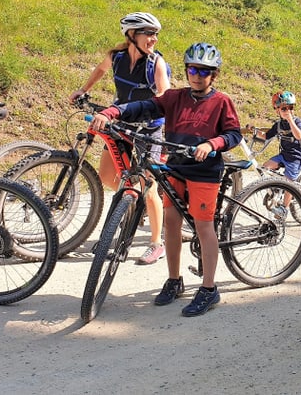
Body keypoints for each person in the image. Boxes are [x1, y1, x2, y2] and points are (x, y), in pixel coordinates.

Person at [90, 42, 241, 317]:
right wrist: (111, 112)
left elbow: (233, 134)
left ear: (214, 75)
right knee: (171, 224)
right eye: (192, 69)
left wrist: (212, 144)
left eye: (204, 71)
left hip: (204, 173)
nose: (197, 75)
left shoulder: (222, 102)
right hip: (176, 169)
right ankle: (174, 280)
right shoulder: (175, 97)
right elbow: (143, 106)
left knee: (204, 227)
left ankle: (209, 289)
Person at [70, 12, 172, 265]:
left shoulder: (155, 64)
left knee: (149, 187)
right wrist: (84, 90)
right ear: (131, 35)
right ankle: (132, 201)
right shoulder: (116, 56)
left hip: (148, 129)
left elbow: (165, 96)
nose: (154, 39)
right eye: (149, 33)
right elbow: (100, 70)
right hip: (122, 124)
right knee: (107, 175)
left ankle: (156, 243)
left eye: (155, 34)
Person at [257, 90, 301, 218]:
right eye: (284, 108)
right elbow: (266, 136)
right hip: (284, 155)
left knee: (289, 183)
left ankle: (284, 208)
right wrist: (255, 131)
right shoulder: (279, 125)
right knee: (264, 168)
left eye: (291, 108)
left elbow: (299, 135)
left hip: (297, 158)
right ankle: (277, 189)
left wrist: (290, 120)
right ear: (277, 110)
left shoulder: (298, 123)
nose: (288, 111)